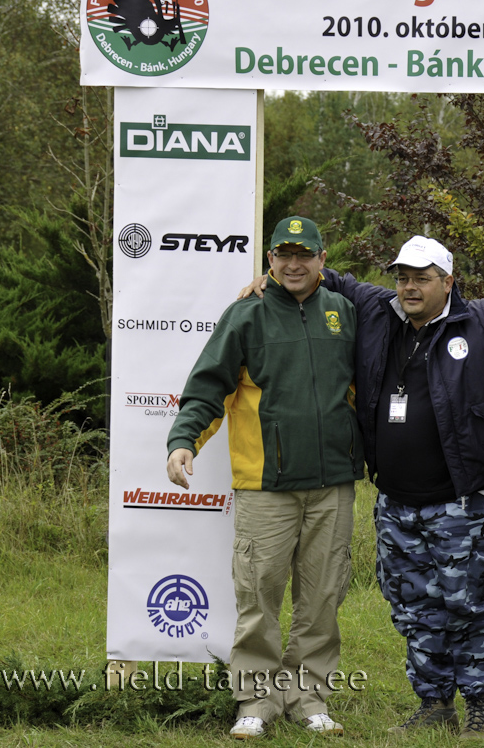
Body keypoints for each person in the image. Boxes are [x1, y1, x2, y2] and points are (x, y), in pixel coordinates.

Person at [238, 234, 484, 739]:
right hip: (396, 501)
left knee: (468, 605)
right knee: (413, 608)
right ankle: (434, 702)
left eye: (422, 278)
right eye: (403, 277)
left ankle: (478, 705)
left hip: (462, 499)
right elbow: (326, 275)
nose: (409, 287)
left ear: (448, 281)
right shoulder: (378, 311)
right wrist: (272, 277)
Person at [165, 217, 362, 740]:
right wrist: (184, 440)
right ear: (269, 260)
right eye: (283, 254)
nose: (293, 264)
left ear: (322, 260)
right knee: (258, 597)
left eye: (304, 254)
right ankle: (255, 699)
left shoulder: (344, 312)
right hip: (264, 485)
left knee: (323, 598)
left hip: (333, 482)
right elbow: (208, 387)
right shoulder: (246, 314)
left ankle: (308, 697)